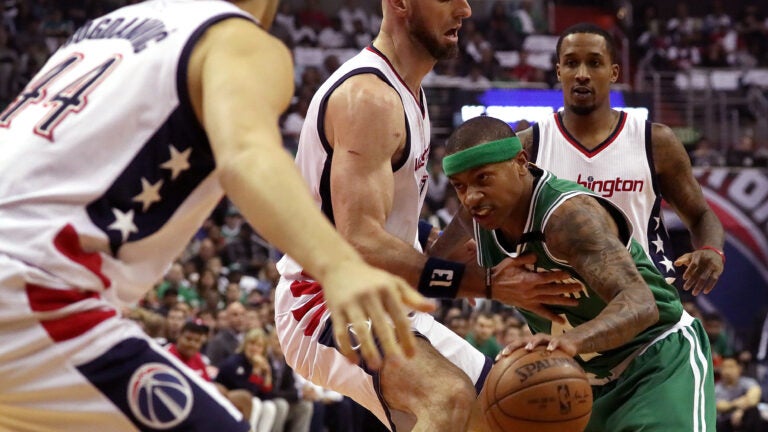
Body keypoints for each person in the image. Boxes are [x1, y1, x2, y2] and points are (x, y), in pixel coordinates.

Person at [0, 0, 433, 430]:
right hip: (32, 294)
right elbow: (245, 155)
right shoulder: (238, 40)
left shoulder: (104, 27)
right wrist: (339, 266)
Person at [275, 1, 582, 431]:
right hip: (329, 303)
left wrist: (434, 240)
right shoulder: (369, 98)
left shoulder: (409, 91)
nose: (465, 9)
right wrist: (486, 283)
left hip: (391, 302)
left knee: (505, 410)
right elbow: (360, 240)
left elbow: (380, 216)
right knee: (448, 396)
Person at [443, 115, 715, 431]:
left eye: (483, 178)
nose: (471, 197)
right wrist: (475, 283)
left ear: (521, 163)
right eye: (459, 186)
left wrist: (569, 343)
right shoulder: (476, 215)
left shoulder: (568, 219)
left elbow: (642, 304)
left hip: (656, 360)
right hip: (581, 383)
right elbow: (426, 268)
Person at [518, 22, 725, 296]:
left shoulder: (655, 141)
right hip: (568, 304)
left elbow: (700, 215)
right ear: (559, 71)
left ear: (613, 72)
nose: (582, 74)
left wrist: (711, 249)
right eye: (571, 63)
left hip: (648, 298)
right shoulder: (529, 146)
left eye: (594, 63)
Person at [716, 356, 765, 432]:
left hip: (745, 420)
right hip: (725, 423)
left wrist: (740, 410)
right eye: (724, 367)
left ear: (739, 368)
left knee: (753, 411)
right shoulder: (717, 388)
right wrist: (734, 404)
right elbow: (719, 406)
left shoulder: (748, 382)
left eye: (731, 367)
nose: (727, 371)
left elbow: (754, 399)